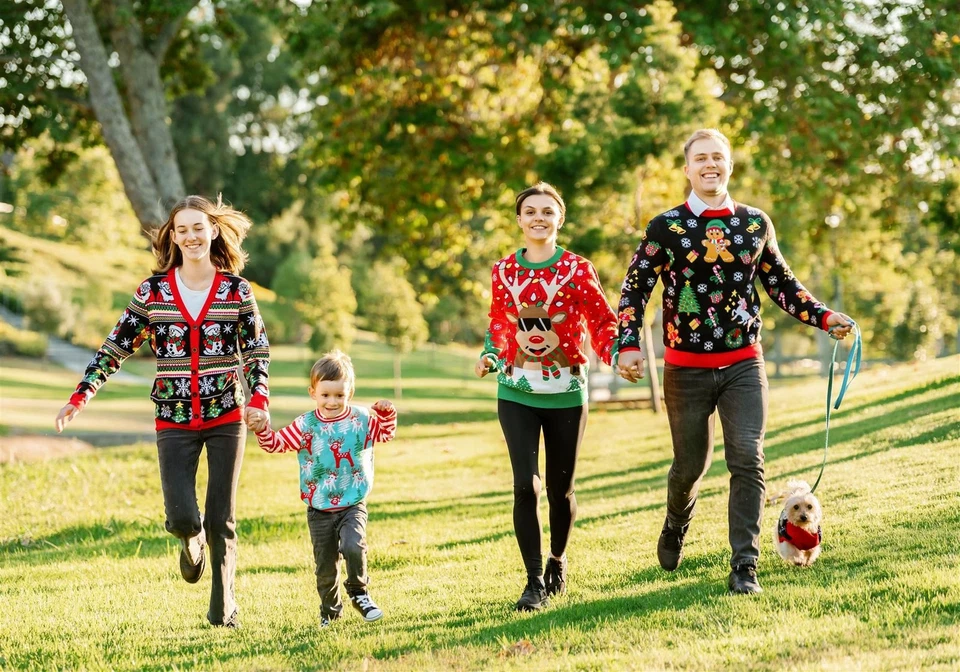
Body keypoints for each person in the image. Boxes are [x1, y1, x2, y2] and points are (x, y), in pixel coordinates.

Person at [616, 129, 854, 594]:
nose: (710, 165)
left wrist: (825, 317)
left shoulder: (754, 223)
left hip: (744, 362)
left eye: (718, 158)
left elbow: (782, 284)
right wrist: (628, 343)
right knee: (690, 466)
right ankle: (675, 523)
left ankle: (745, 565)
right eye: (700, 158)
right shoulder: (665, 227)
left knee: (747, 456)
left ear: (729, 166)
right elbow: (635, 288)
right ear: (686, 169)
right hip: (685, 367)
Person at [55, 195, 270, 627]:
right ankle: (190, 541)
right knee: (182, 516)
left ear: (213, 232)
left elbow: (256, 351)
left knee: (221, 517)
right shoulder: (152, 293)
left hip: (226, 413)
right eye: (182, 229)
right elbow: (116, 345)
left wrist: (259, 399)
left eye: (198, 227)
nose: (190, 236)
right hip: (172, 417)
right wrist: (82, 395)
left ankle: (222, 611)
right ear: (172, 236)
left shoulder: (236, 291)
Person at [475, 182, 619, 611]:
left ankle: (557, 559)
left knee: (561, 491)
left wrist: (616, 353)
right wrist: (489, 354)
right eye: (530, 211)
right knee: (526, 486)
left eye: (547, 211)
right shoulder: (504, 270)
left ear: (559, 219)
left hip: (567, 392)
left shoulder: (577, 268)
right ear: (519, 220)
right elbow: (500, 322)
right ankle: (533, 580)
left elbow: (600, 318)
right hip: (516, 391)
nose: (539, 218)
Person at [247, 350, 397, 627]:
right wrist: (261, 429)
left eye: (339, 395)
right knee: (325, 568)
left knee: (354, 546)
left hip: (353, 503)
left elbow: (385, 433)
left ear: (349, 393)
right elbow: (275, 444)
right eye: (325, 395)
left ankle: (359, 593)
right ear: (313, 392)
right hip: (319, 509)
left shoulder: (361, 419)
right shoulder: (306, 425)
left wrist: (387, 413)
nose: (332, 401)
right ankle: (330, 611)